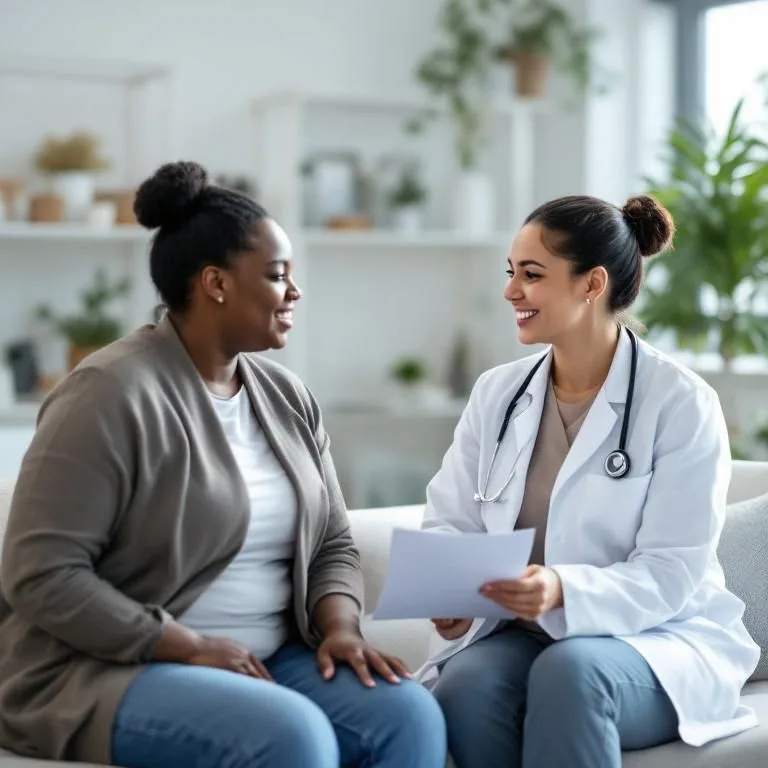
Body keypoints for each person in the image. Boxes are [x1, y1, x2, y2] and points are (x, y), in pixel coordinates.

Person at [0, 161, 446, 768]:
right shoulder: (107, 392)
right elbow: (40, 574)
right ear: (216, 283)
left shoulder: (287, 396)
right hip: (113, 668)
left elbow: (332, 543)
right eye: (277, 275)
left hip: (268, 657)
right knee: (291, 736)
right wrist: (184, 644)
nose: (294, 292)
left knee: (408, 716)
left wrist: (341, 628)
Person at [418, 194, 761, 768]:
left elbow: (672, 573)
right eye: (511, 274)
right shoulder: (497, 394)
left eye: (532, 275)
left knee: (571, 672)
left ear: (592, 284)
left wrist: (562, 590)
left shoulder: (680, 402)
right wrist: (451, 594)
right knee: (466, 686)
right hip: (521, 633)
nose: (511, 292)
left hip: (655, 639)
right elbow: (452, 518)